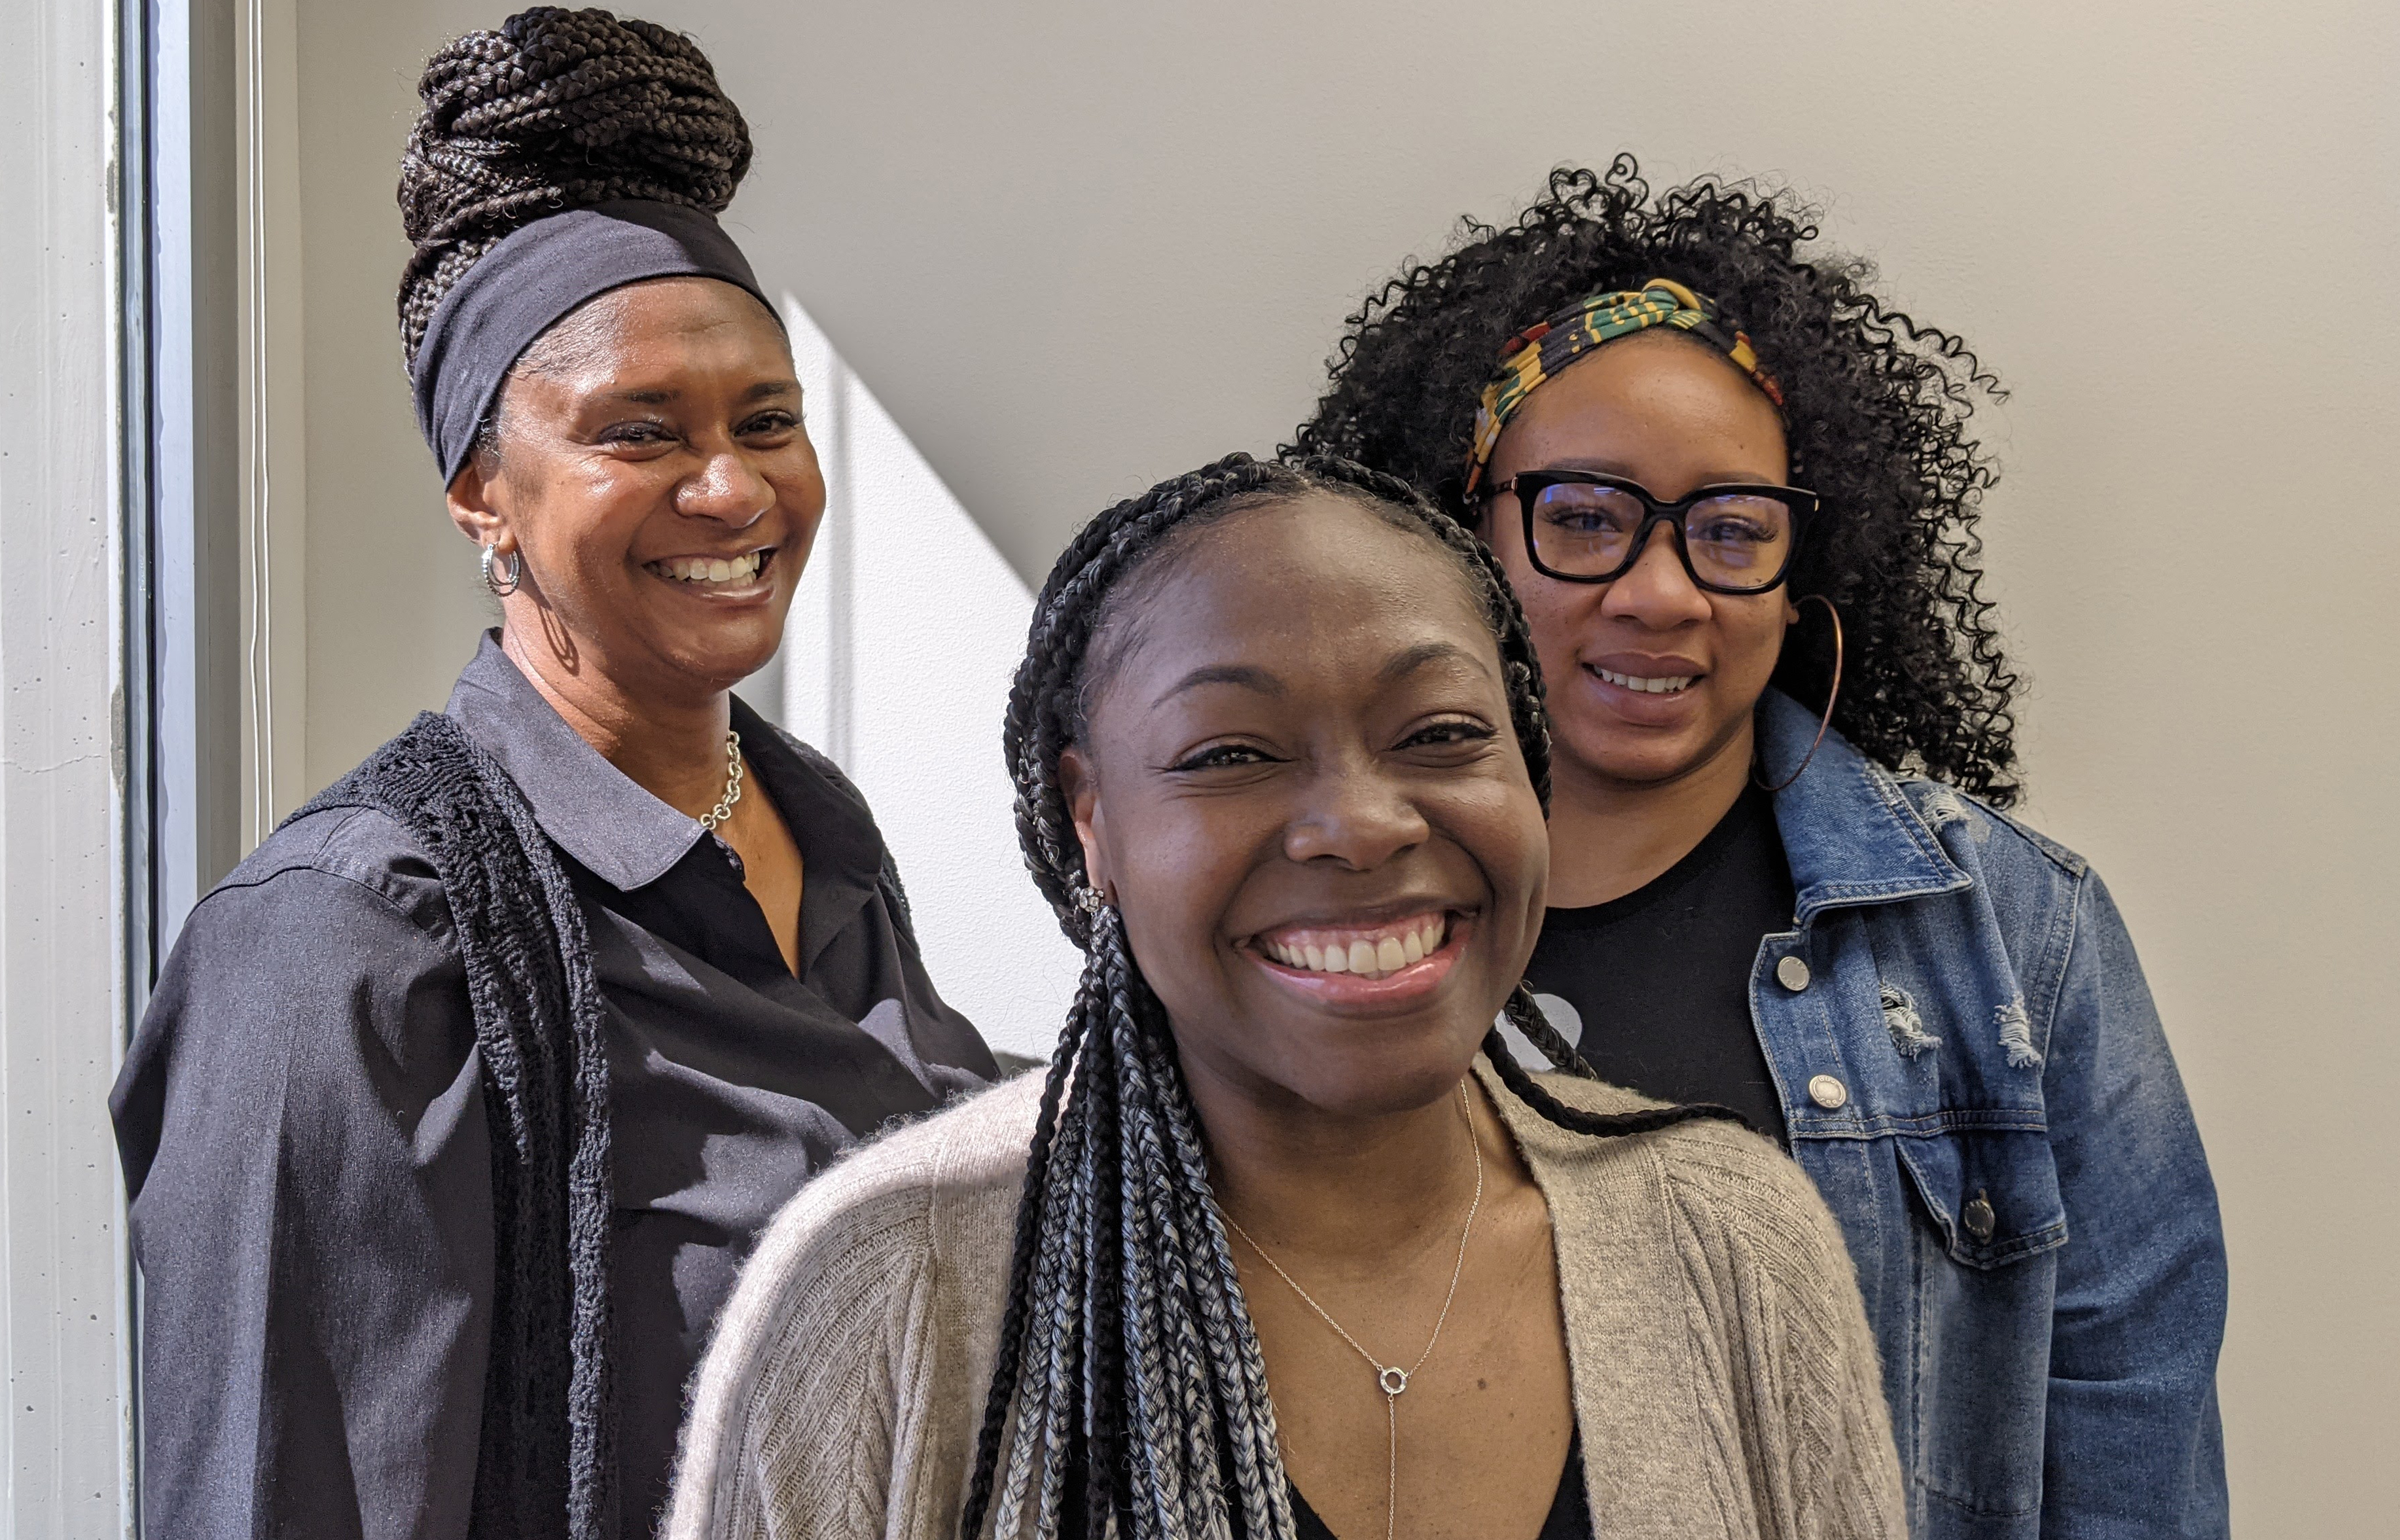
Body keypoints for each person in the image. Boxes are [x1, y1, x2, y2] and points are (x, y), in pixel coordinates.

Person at [111, 6, 996, 1540]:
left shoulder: (820, 835)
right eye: (635, 429)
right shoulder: (351, 946)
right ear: (482, 493)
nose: (731, 487)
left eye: (767, 420)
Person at [663, 454, 1905, 1540]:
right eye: (1233, 755)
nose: (1362, 827)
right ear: (1092, 819)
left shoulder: (1733, 1243)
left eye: (1439, 734)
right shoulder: (888, 1287)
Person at [1292, 157, 2226, 1539]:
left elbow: (2131, 1472)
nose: (1661, 592)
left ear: (1798, 580)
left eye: (1730, 530)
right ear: (1456, 530)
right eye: (1586, 518)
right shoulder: (1301, 895)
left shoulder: (2014, 937)